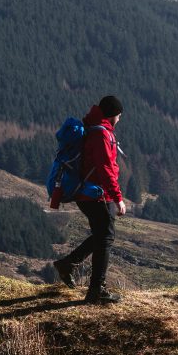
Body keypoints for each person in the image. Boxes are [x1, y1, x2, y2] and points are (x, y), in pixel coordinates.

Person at [53, 95, 126, 304]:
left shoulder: (93, 128)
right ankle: (96, 290)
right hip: (97, 195)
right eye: (119, 115)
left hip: (86, 194)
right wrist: (117, 198)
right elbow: (105, 169)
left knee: (102, 236)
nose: (120, 119)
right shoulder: (101, 135)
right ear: (113, 115)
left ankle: (69, 264)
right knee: (105, 238)